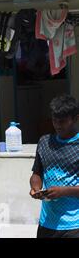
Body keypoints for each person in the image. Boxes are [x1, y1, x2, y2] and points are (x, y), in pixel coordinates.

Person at [30, 94, 79, 238]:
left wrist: (64, 192)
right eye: (54, 120)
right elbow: (37, 173)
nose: (57, 125)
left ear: (75, 119)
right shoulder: (45, 142)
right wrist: (36, 188)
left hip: (74, 225)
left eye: (62, 121)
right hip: (47, 223)